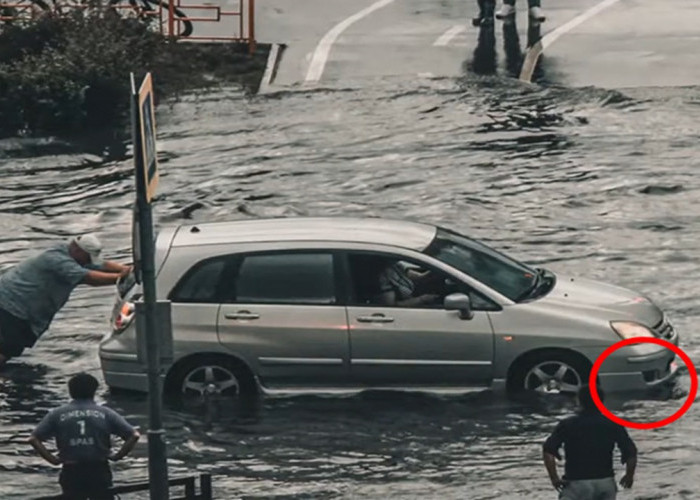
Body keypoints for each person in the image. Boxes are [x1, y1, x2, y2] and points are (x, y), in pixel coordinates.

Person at [0, 234, 131, 367]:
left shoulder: (71, 253)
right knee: (9, 345)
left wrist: (126, 270)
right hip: (11, 304)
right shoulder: (57, 260)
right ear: (77, 250)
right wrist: (121, 277)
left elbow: (99, 265)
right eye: (87, 257)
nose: (88, 262)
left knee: (12, 346)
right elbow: (89, 278)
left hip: (22, 308)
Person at [29, 372, 140, 500]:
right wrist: (117, 456)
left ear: (71, 391)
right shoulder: (105, 413)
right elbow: (134, 435)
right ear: (94, 391)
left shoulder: (57, 414)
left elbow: (33, 439)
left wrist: (52, 460)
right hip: (99, 468)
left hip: (71, 469)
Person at [542, 385, 637, 499]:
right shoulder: (613, 424)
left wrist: (554, 478)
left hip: (576, 484)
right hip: (605, 483)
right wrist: (629, 475)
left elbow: (548, 451)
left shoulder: (567, 425)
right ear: (601, 401)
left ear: (579, 401)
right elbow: (631, 453)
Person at [375, 260, 442, 307]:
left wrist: (437, 269)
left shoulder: (396, 266)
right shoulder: (382, 278)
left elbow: (419, 277)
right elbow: (391, 305)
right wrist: (422, 299)